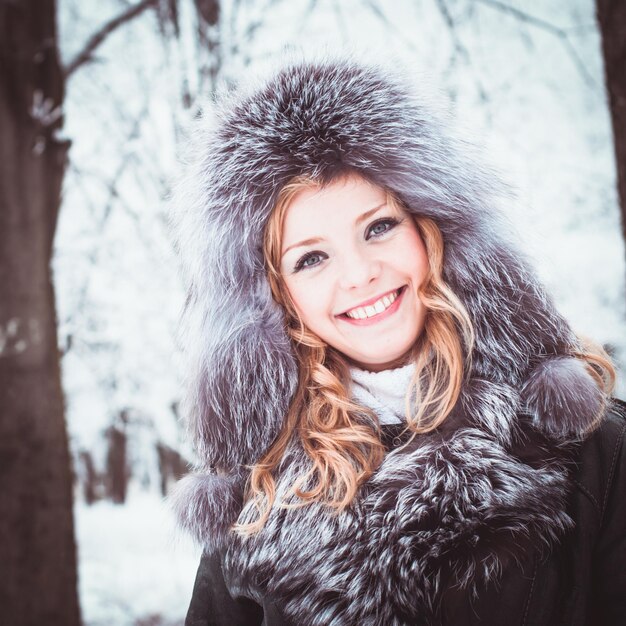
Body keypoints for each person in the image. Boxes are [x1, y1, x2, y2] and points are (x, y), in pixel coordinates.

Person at [169, 56, 626, 625]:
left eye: (379, 227)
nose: (359, 273)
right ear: (274, 300)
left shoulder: (587, 444)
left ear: (435, 229)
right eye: (311, 258)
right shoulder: (253, 504)